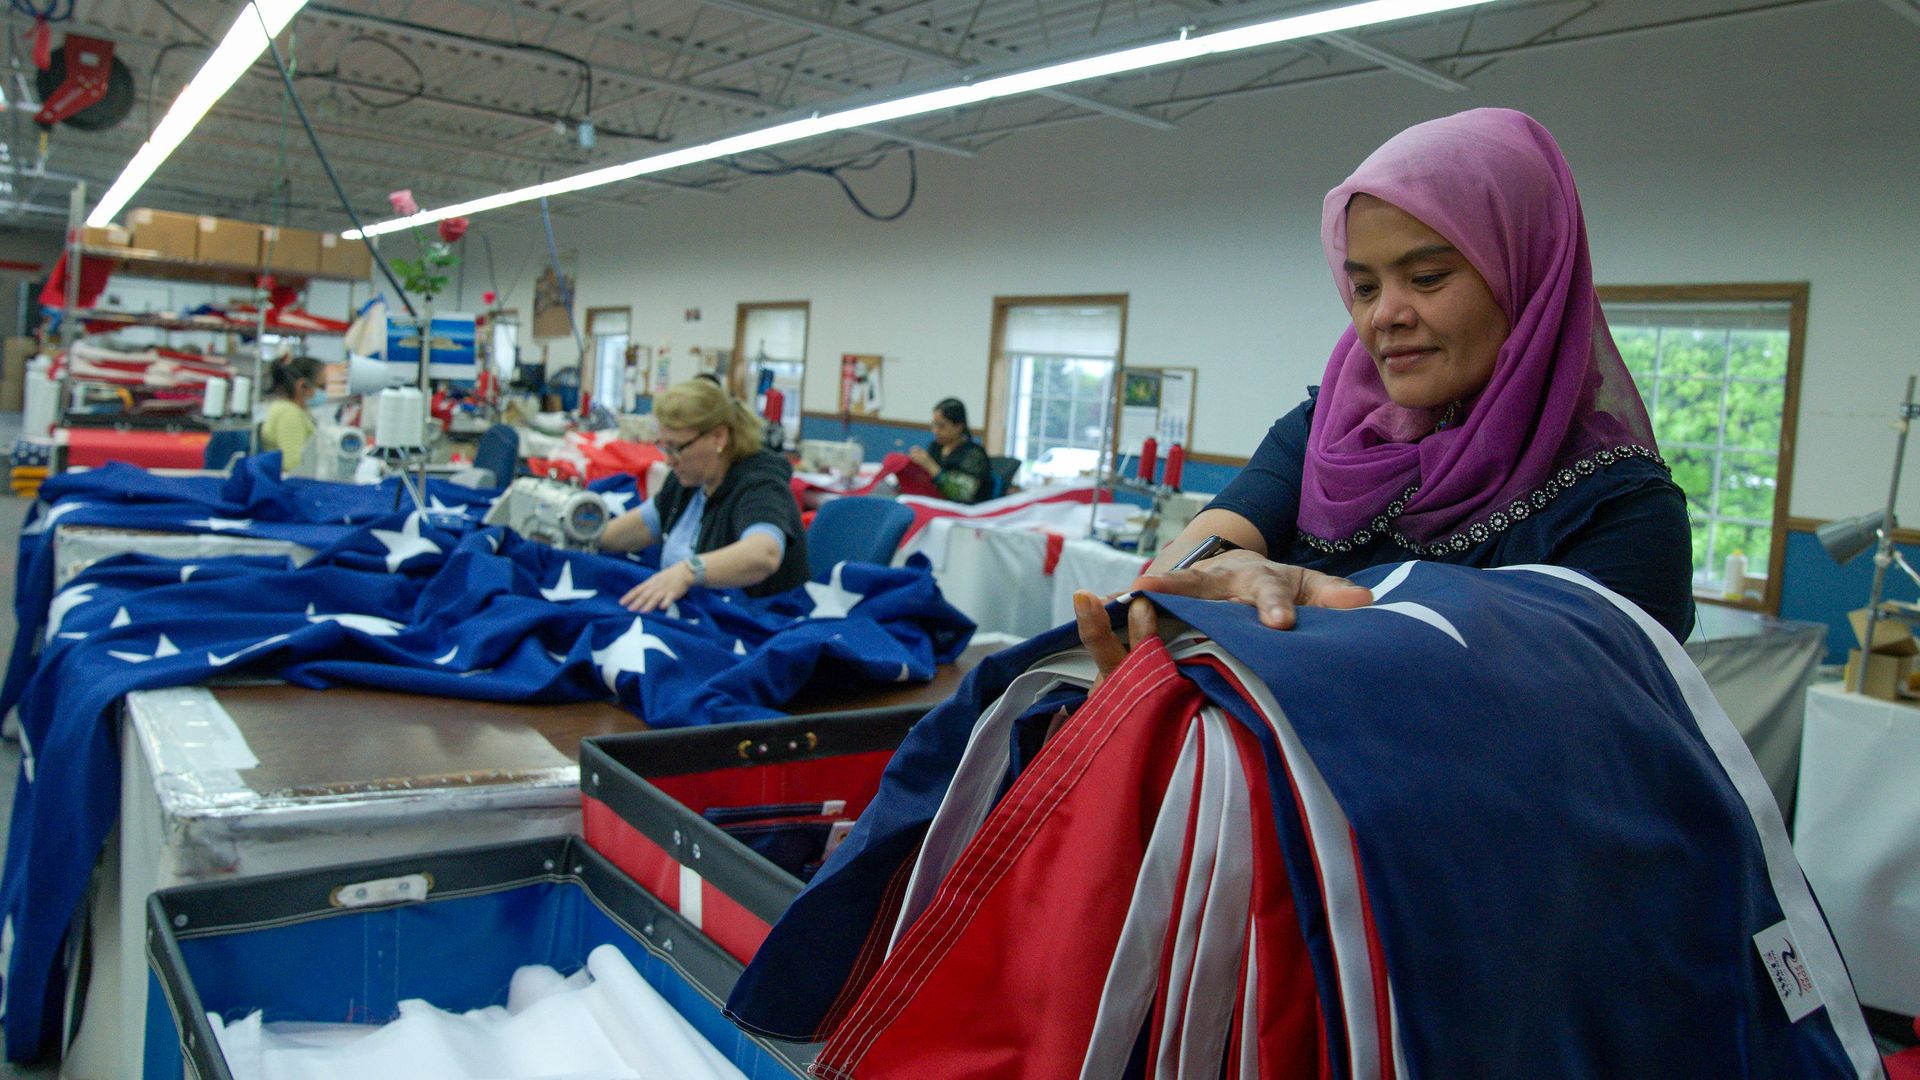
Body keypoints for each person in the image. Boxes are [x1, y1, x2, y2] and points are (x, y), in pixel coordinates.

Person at [1079, 108, 1694, 670]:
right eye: (1365, 288)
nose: (1383, 316)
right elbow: (1183, 563)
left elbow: (1564, 728)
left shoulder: (1623, 513)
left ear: (1528, 275)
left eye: (1426, 278)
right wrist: (1209, 577)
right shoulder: (1326, 433)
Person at [601, 377, 809, 609]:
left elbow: (764, 554)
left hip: (753, 624)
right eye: (664, 447)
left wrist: (689, 571)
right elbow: (640, 526)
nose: (668, 460)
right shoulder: (688, 480)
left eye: (676, 448)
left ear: (718, 437)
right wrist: (583, 535)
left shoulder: (759, 485)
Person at [907, 398, 994, 504]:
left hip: (966, 511)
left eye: (941, 426)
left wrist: (930, 466)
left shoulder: (974, 454)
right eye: (934, 425)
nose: (935, 430)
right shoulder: (935, 447)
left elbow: (964, 494)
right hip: (937, 504)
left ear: (959, 427)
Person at [259, 355, 326, 472]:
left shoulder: (290, 409)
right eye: (321, 386)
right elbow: (292, 464)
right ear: (302, 386)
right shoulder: (290, 414)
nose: (324, 392)